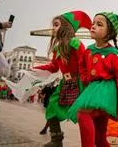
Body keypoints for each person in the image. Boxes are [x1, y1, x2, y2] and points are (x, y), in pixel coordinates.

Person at [68, 12, 118, 147]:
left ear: (109, 33)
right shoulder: (89, 50)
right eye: (93, 23)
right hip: (93, 91)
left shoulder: (114, 55)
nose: (93, 26)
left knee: (83, 113)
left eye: (99, 24)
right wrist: (85, 77)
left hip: (107, 95)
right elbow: (82, 63)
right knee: (99, 138)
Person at [33, 10, 92, 147]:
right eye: (53, 25)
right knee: (52, 107)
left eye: (56, 25)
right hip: (65, 82)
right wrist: (35, 69)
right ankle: (56, 140)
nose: (53, 28)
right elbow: (53, 67)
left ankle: (92, 141)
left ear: (65, 27)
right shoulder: (57, 48)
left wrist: (86, 82)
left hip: (79, 81)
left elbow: (84, 62)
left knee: (85, 115)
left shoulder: (75, 43)